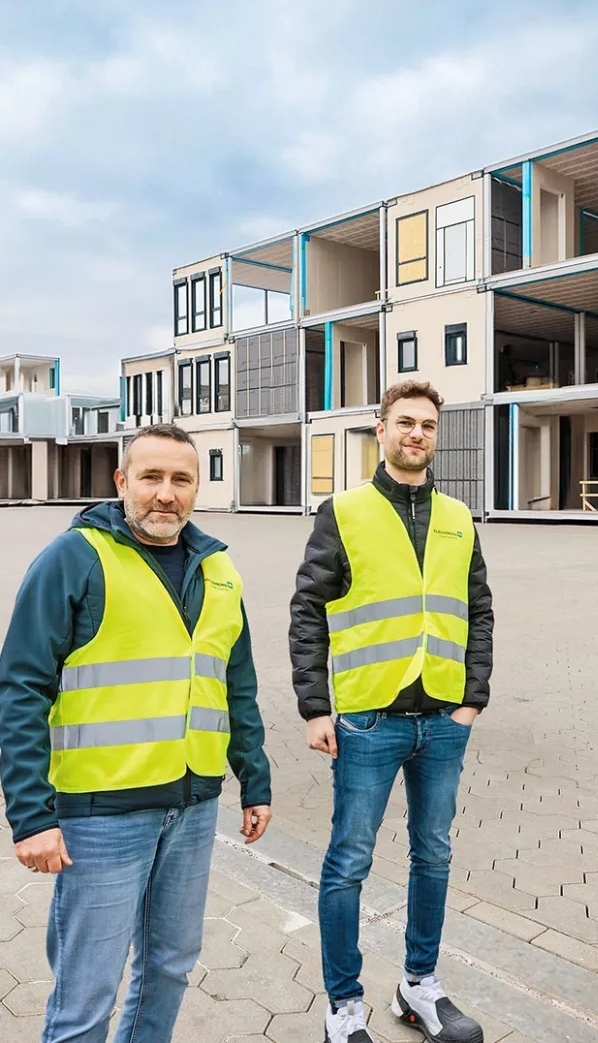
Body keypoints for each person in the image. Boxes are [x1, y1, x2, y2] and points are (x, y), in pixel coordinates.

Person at [0, 422, 272, 1043]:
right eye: (150, 477)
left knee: (169, 971)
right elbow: (20, 688)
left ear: (198, 487)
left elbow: (238, 682)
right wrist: (32, 817)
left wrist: (254, 779)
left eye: (181, 479)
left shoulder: (219, 568)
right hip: (102, 817)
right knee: (86, 998)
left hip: (194, 806)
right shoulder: (76, 558)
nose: (166, 494)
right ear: (122, 481)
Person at [290, 380, 494, 1043]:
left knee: (432, 854)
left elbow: (480, 610)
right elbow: (307, 611)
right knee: (349, 859)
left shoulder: (460, 517)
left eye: (427, 425)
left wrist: (472, 698)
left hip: (442, 720)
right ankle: (343, 1007)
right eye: (404, 422)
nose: (416, 434)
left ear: (436, 436)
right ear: (380, 430)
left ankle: (419, 987)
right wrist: (315, 706)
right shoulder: (342, 511)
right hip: (366, 719)